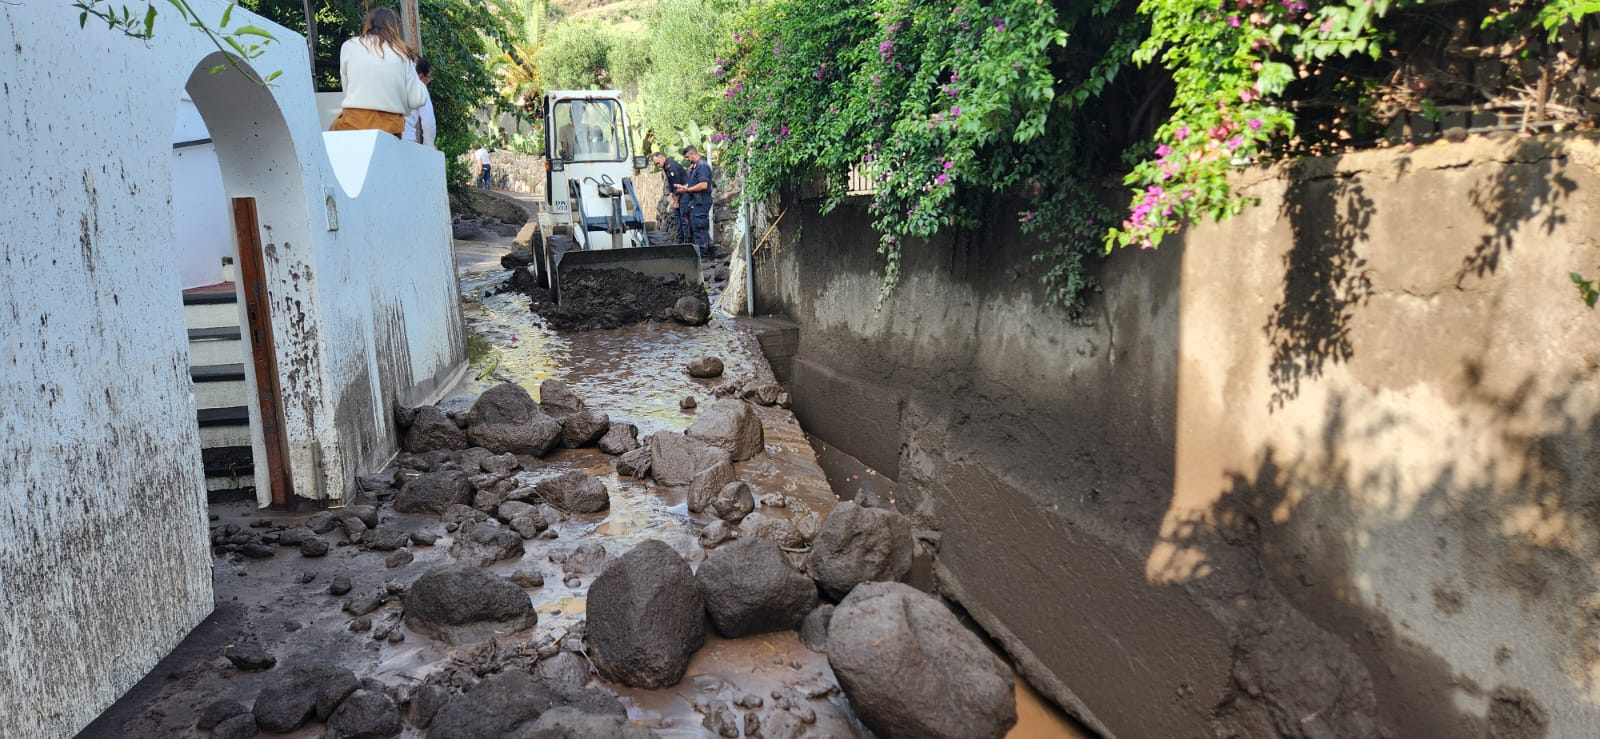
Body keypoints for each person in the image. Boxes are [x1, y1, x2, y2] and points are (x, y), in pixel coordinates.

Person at [330, 7, 426, 137]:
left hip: (353, 121)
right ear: (394, 27)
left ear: (368, 24)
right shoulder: (402, 53)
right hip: (390, 126)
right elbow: (417, 99)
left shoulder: (349, 46)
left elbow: (347, 91)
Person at [674, 145, 715, 258]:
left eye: (687, 157)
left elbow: (703, 185)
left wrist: (687, 189)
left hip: (701, 201)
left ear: (693, 154)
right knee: (697, 227)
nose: (687, 159)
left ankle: (704, 255)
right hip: (695, 201)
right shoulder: (694, 167)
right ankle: (710, 251)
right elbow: (692, 183)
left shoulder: (702, 166)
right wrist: (683, 187)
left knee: (699, 227)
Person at [652, 151, 690, 243]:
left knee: (683, 217)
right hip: (677, 194)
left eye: (658, 163)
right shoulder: (666, 167)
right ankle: (680, 238)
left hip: (684, 193)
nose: (658, 165)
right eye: (656, 164)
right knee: (677, 217)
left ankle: (687, 240)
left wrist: (676, 201)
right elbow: (670, 184)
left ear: (662, 157)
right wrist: (672, 197)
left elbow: (677, 185)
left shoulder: (672, 167)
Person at [402, 57, 436, 147]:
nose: (428, 82)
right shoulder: (420, 86)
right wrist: (429, 147)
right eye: (428, 77)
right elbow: (429, 122)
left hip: (384, 133)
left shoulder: (397, 80)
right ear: (420, 75)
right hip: (406, 139)